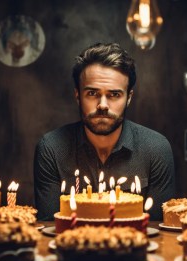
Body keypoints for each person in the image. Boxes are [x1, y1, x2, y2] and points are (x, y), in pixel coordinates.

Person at [33, 42, 175, 221]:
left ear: (129, 97)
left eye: (114, 94)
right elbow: (50, 227)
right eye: (92, 93)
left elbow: (157, 230)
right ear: (78, 96)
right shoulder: (51, 148)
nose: (102, 105)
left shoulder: (156, 148)